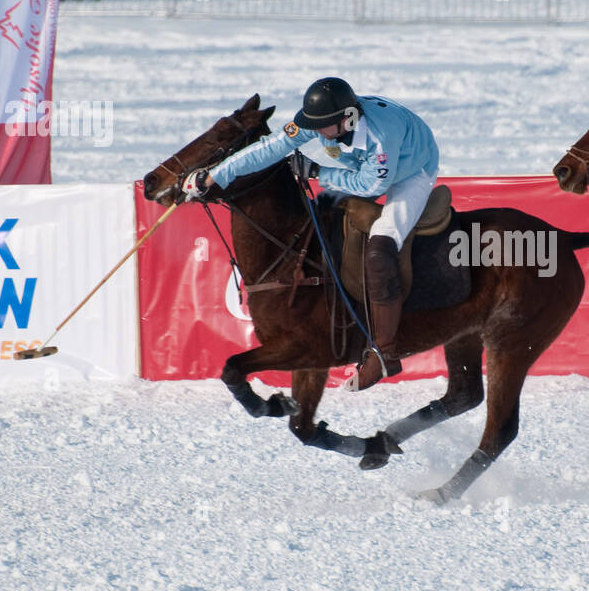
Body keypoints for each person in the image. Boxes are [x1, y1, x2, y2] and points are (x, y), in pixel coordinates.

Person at [184, 78, 440, 391]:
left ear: (348, 119)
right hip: (360, 166)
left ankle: (384, 353)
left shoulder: (381, 135)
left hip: (411, 171)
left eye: (323, 129)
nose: (316, 133)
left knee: (381, 247)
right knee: (319, 221)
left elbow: (374, 186)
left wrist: (319, 172)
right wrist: (213, 176)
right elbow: (270, 148)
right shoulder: (322, 118)